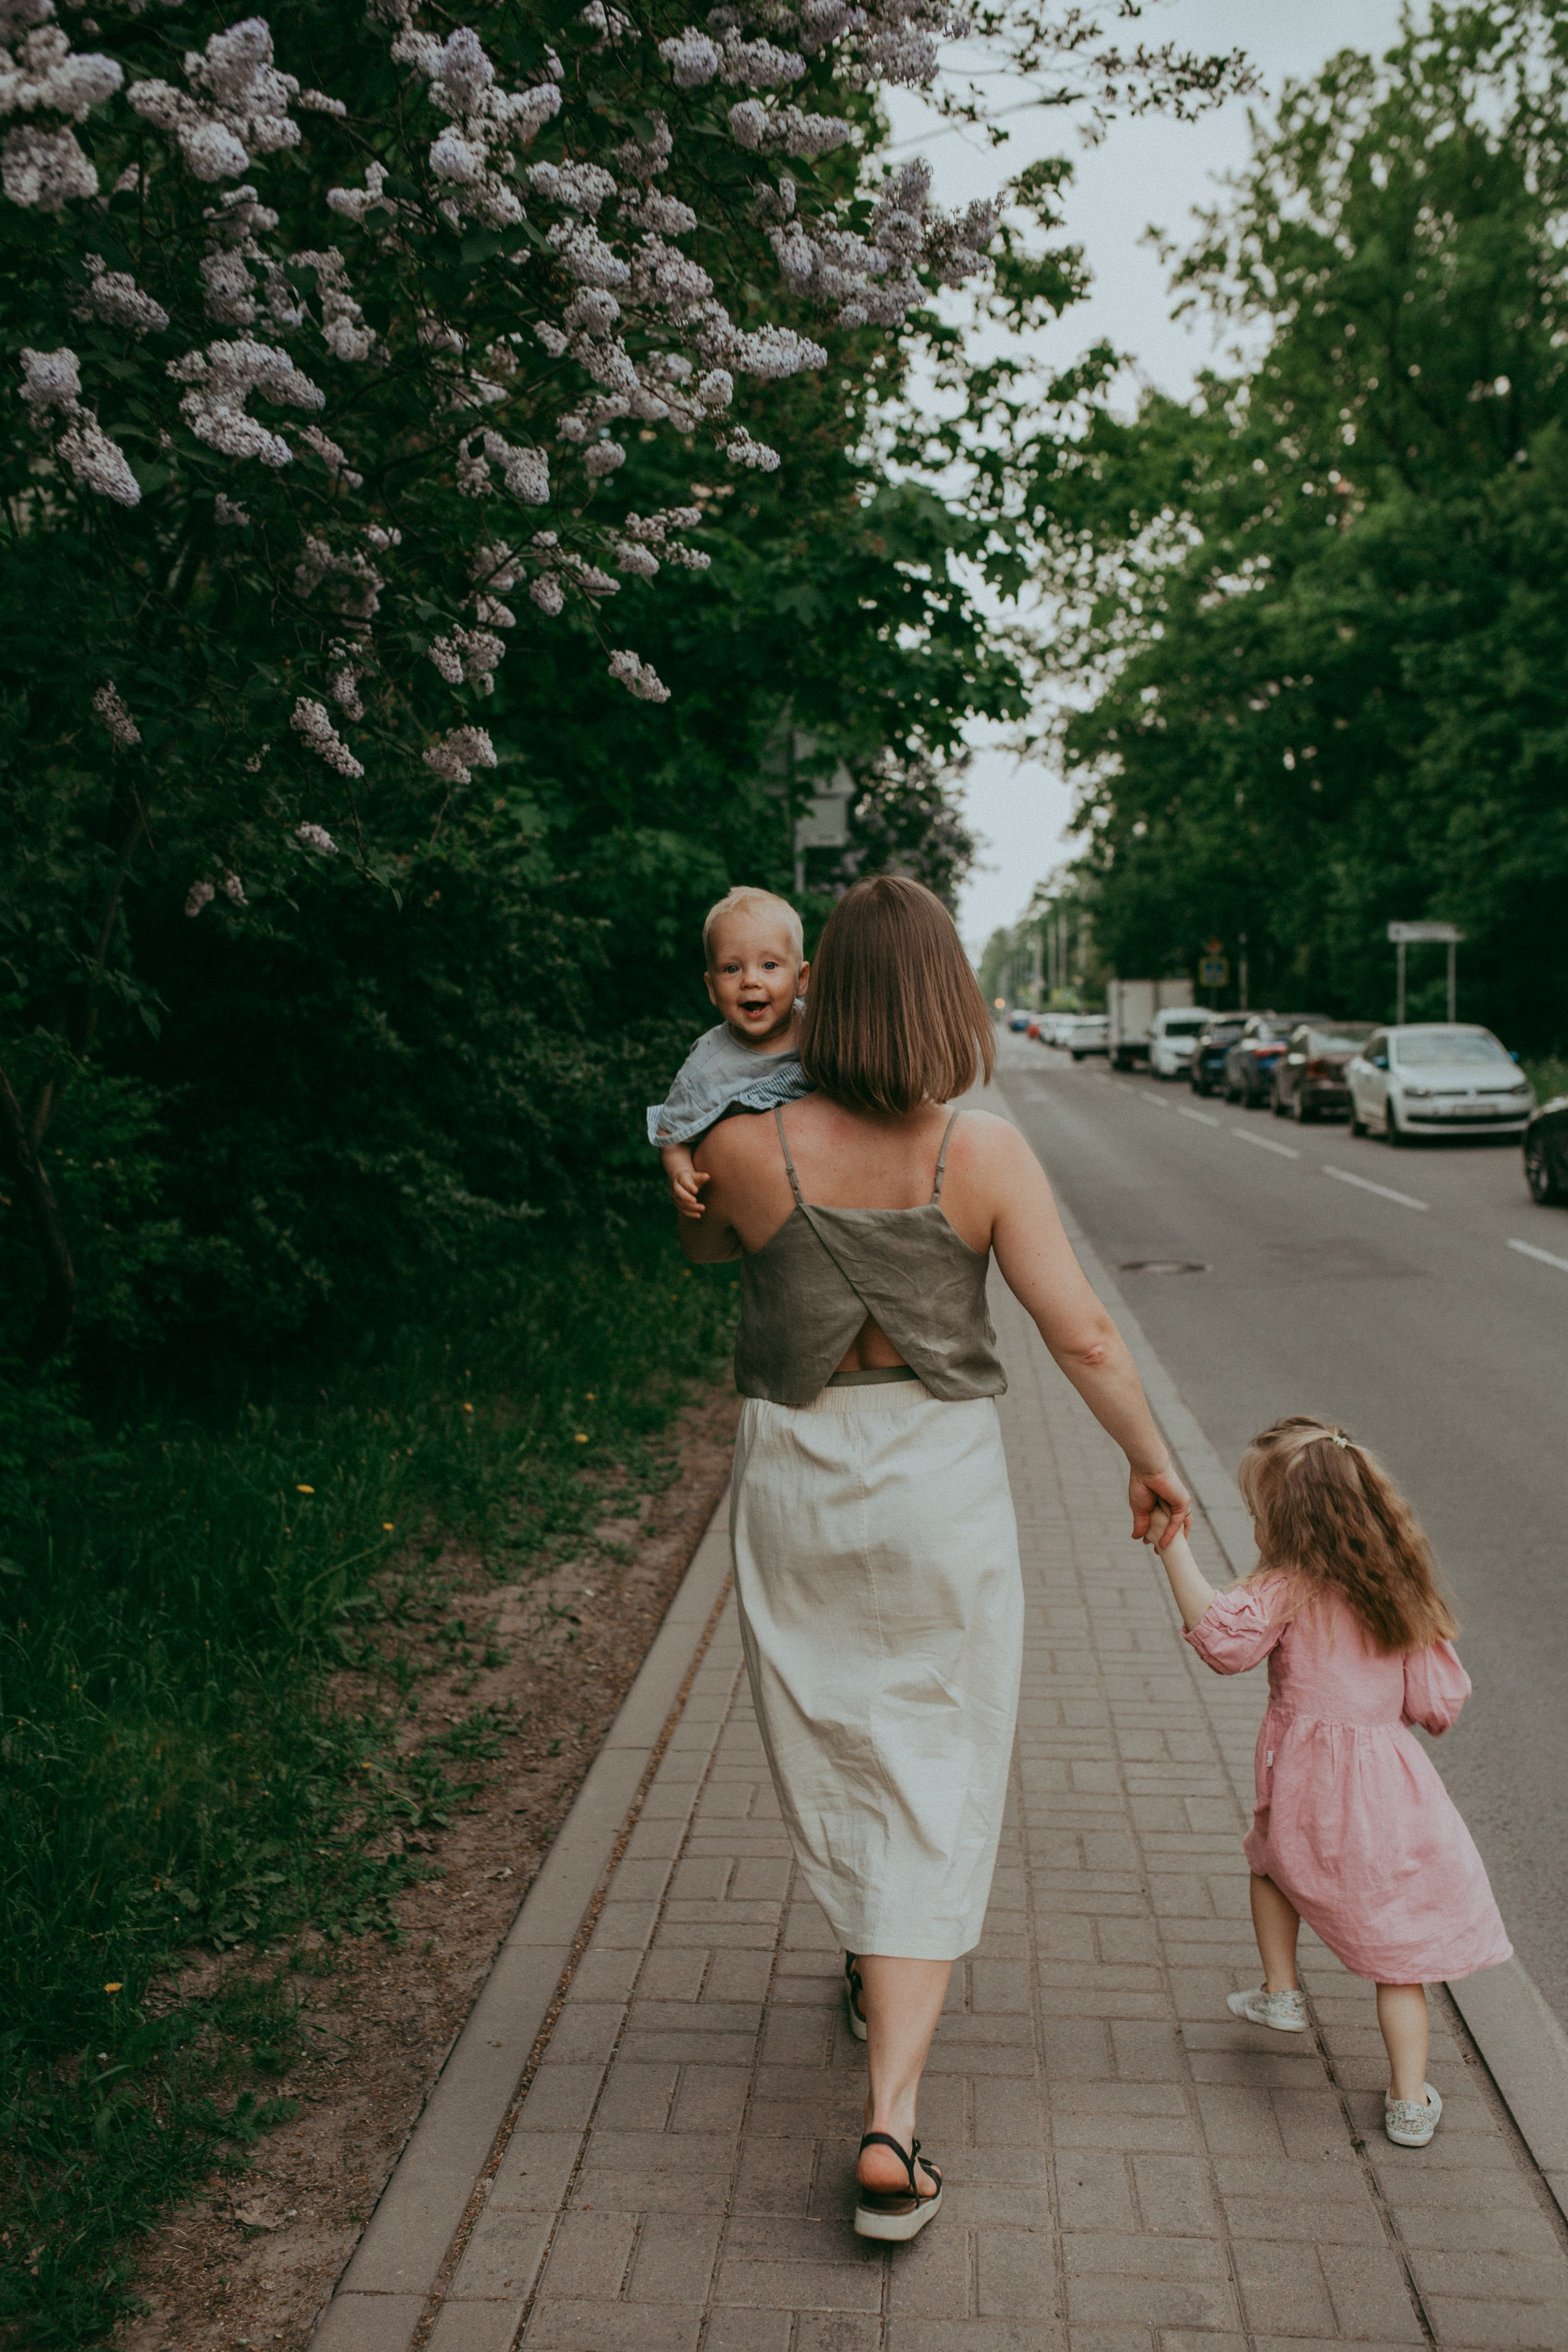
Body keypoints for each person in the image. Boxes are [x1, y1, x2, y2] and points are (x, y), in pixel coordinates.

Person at [679, 874, 1191, 2240]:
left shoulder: (743, 1139)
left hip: (793, 1467)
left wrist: (681, 1167)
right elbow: (1081, 1334)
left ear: (817, 991)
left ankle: (865, 1952)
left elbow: (703, 1243)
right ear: (946, 1001)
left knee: (836, 1732)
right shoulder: (981, 1152)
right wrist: (1150, 1459)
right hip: (937, 1479)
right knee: (933, 1754)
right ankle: (890, 2123)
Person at [1144, 1414, 1511, 2150]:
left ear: (1286, 1521)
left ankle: (1282, 1993)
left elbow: (1223, 1642)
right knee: (1398, 1953)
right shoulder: (1398, 1586)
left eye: (1257, 1512)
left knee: (1271, 1862)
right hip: (1391, 1793)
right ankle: (1409, 2101)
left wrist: (1173, 1547)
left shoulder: (1290, 1588)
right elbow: (1434, 1704)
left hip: (1304, 1783)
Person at [647, 886, 812, 1219]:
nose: (751, 981)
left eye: (769, 965)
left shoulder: (819, 1030)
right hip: (763, 1198)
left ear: (801, 978)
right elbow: (670, 1132)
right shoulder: (707, 1067)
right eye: (732, 969)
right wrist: (680, 1173)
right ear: (711, 988)